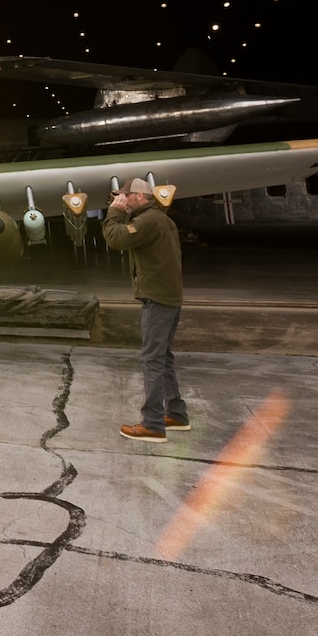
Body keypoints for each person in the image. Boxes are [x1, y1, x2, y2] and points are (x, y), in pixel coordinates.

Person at [104, 178, 187, 443]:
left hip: (158, 299)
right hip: (169, 297)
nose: (121, 200)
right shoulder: (160, 219)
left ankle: (152, 424)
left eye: (124, 196)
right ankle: (176, 414)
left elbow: (115, 239)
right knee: (163, 357)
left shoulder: (148, 220)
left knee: (151, 359)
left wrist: (113, 213)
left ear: (139, 197)